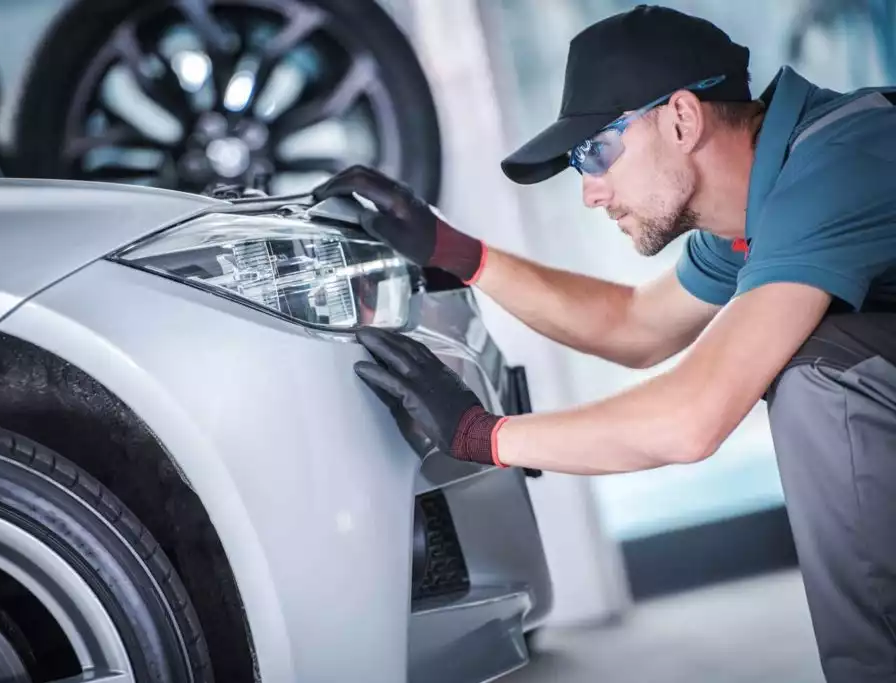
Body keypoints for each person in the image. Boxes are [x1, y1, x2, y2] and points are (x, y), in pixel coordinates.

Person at [311, 4, 896, 682]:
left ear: (682, 118)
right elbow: (635, 325)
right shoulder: (766, 202)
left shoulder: (839, 167)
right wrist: (452, 248)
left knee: (816, 370)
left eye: (596, 152)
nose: (591, 191)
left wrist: (481, 434)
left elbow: (692, 418)